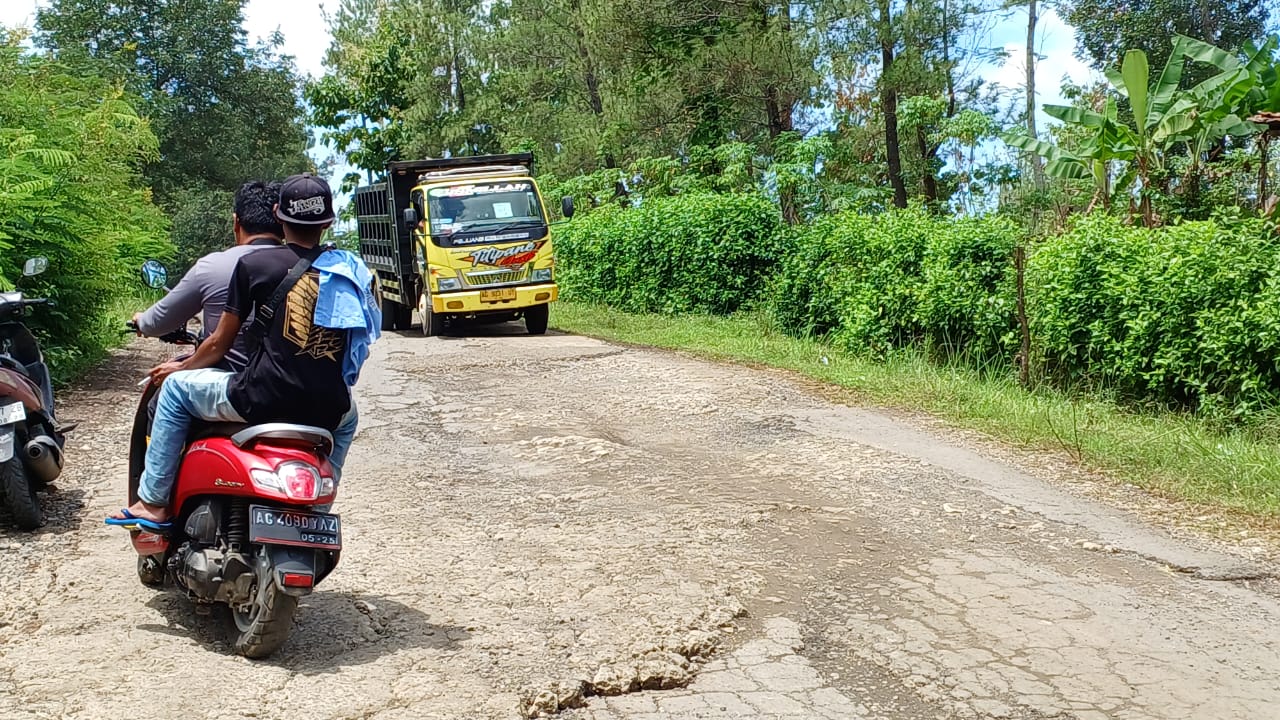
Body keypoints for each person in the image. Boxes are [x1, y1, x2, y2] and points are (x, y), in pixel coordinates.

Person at [110, 173, 379, 524]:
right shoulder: (351, 271)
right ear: (328, 223)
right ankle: (317, 512)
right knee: (349, 419)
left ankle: (154, 501)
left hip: (262, 396)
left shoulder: (252, 266)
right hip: (330, 404)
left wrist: (181, 367)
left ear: (280, 215)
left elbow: (219, 344)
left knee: (175, 390)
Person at [133, 180, 283, 372]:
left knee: (167, 387)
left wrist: (142, 320)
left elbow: (159, 321)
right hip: (290, 386)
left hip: (227, 385)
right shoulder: (308, 269)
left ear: (236, 222)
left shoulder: (212, 266)